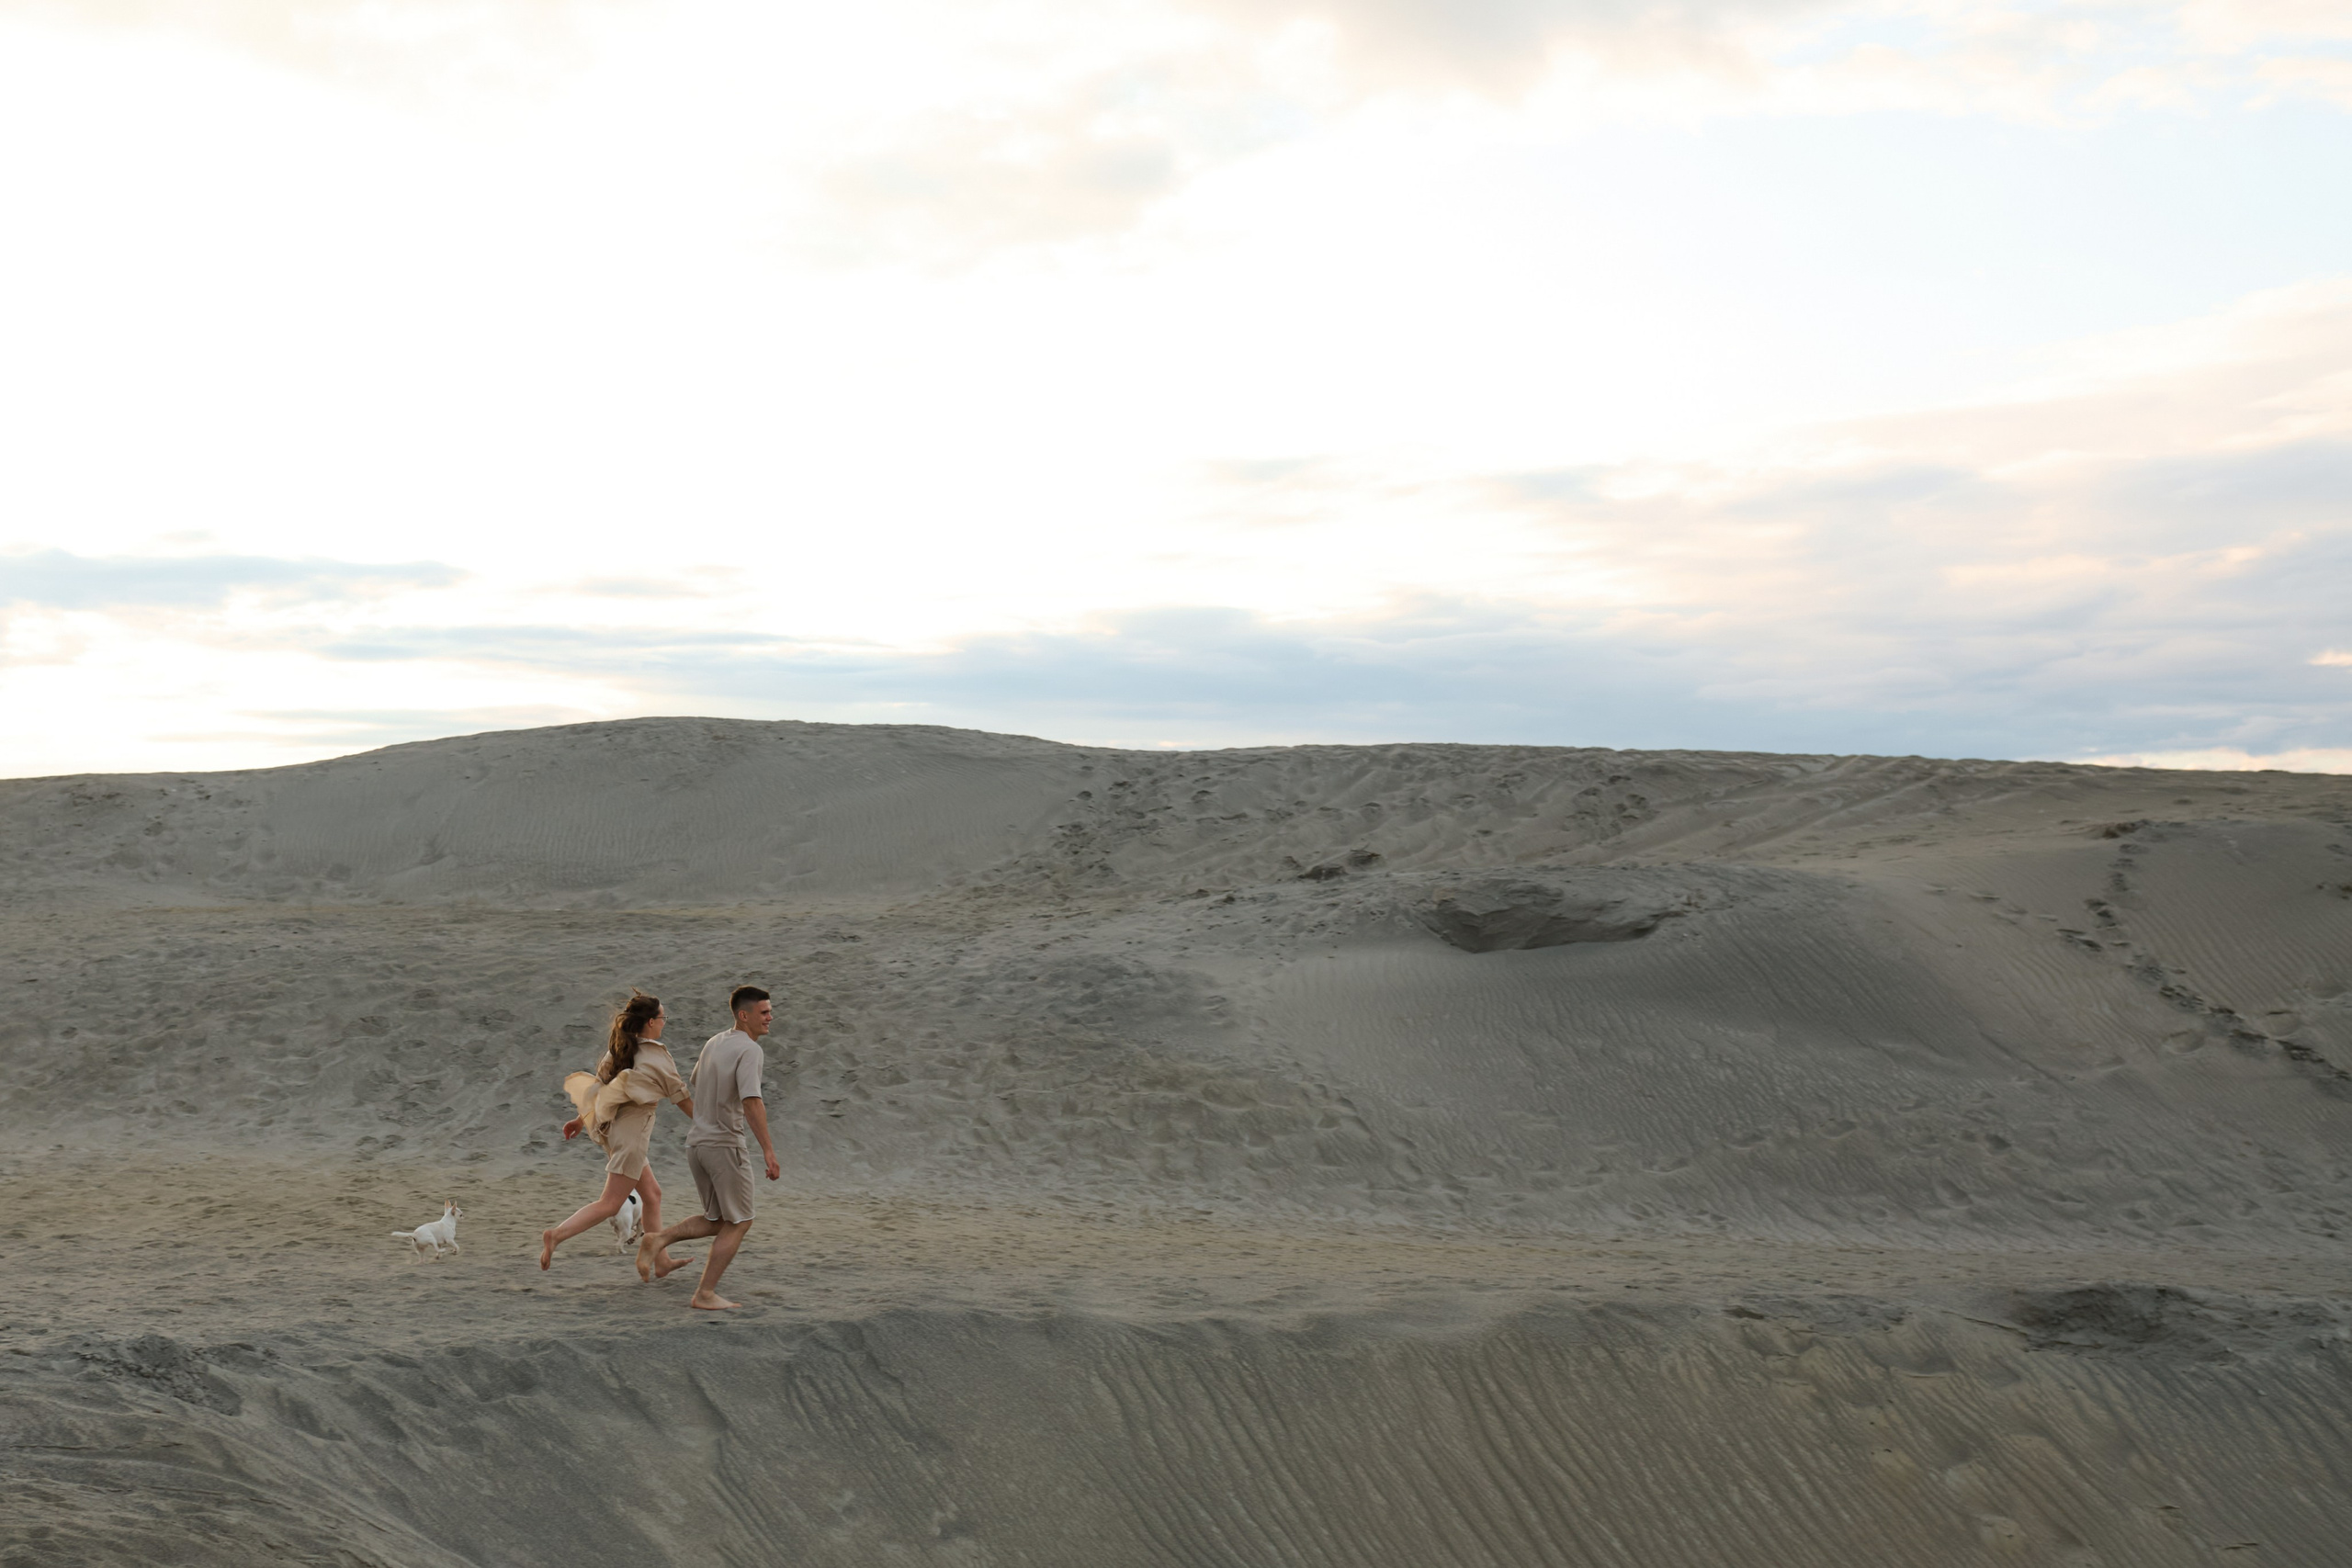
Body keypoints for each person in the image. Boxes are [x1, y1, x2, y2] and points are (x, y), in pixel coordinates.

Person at [637, 984, 780, 1309]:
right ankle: (704, 1294)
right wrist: (769, 1151)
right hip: (724, 1145)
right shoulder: (750, 1050)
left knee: (717, 1220)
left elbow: (697, 1082)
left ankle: (658, 1238)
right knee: (741, 1221)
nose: (770, 1017)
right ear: (743, 1015)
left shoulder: (714, 1042)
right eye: (764, 1012)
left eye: (770, 1011)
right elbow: (752, 1101)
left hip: (697, 1144)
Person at [538, 990, 696, 1273]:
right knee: (610, 1203)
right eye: (663, 1018)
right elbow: (681, 1097)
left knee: (652, 1195)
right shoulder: (656, 1056)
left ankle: (661, 1261)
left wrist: (579, 1120)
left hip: (617, 1133)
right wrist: (707, 1123)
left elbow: (599, 1091)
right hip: (631, 1139)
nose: (665, 1023)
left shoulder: (620, 1049)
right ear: (650, 1022)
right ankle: (557, 1235)